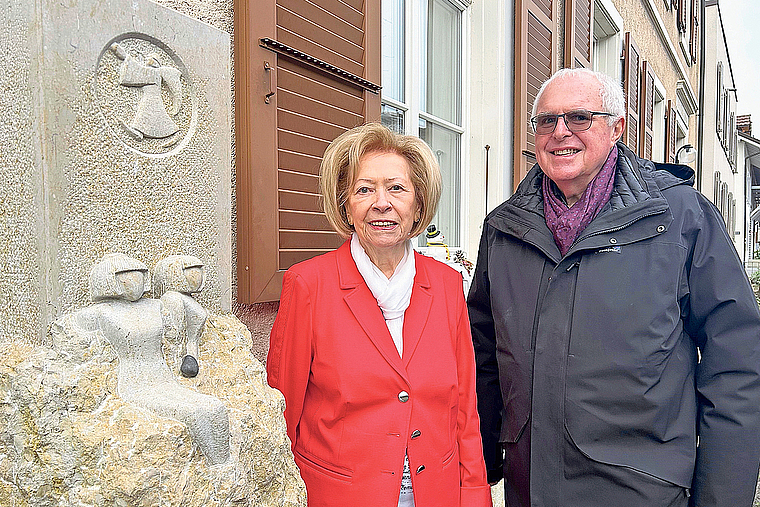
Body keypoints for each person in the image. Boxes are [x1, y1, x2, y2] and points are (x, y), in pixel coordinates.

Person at [468, 68, 760, 506]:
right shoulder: (505, 229)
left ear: (617, 128)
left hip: (643, 491)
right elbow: (485, 356)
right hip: (531, 488)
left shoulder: (680, 217)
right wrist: (482, 464)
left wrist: (722, 496)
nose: (560, 132)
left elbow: (736, 367)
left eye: (580, 118)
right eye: (546, 121)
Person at [267, 123, 492, 507]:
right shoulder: (308, 284)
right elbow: (281, 409)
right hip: (338, 495)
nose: (381, 203)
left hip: (437, 494)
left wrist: (474, 494)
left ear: (418, 205)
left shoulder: (446, 284)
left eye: (397, 188)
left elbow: (464, 407)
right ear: (346, 205)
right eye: (364, 189)